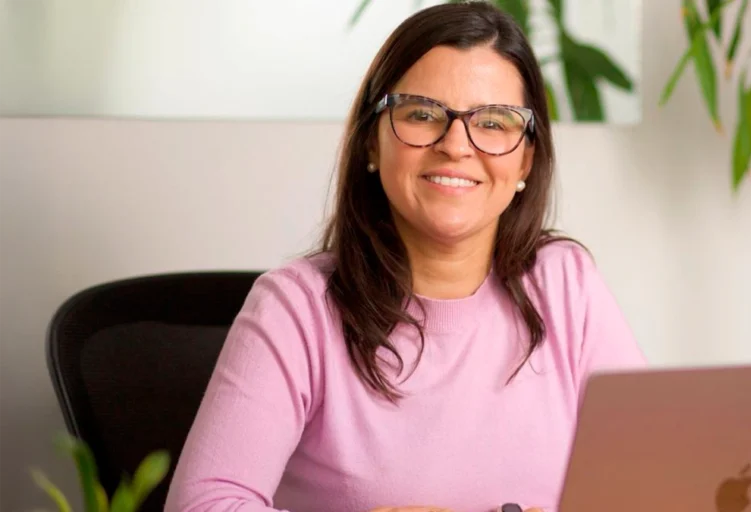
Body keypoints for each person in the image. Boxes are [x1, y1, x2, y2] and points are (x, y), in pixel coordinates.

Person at [164, 2, 646, 511]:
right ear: (372, 143)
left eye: (493, 122)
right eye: (422, 114)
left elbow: (654, 474)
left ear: (525, 160)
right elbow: (202, 504)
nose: (456, 146)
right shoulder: (296, 307)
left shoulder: (566, 283)